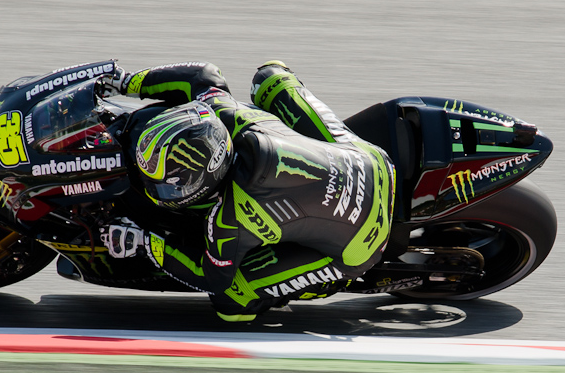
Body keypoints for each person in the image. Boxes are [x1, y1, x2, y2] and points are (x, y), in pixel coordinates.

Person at [100, 61, 396, 322]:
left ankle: (328, 281)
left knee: (233, 302)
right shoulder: (221, 111)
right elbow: (203, 74)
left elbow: (213, 276)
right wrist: (127, 82)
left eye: (171, 182)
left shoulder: (230, 217)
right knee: (270, 76)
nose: (158, 185)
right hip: (368, 158)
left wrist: (145, 242)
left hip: (363, 239)